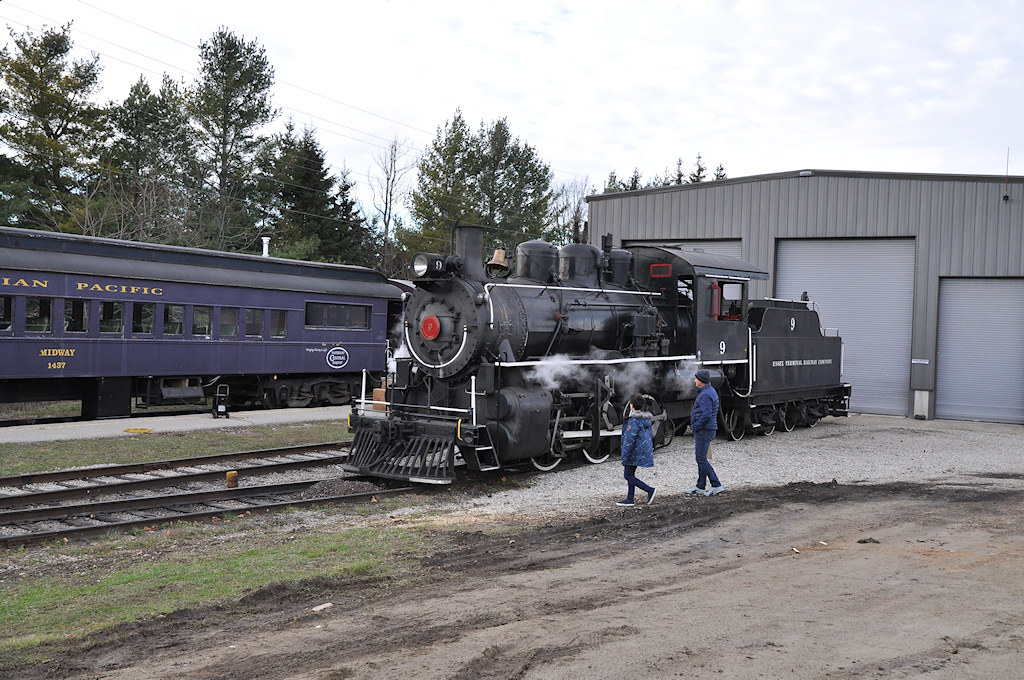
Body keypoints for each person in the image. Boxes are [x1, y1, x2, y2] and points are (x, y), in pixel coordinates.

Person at [686, 369, 723, 496]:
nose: (694, 380)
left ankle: (716, 484)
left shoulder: (705, 395)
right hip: (707, 429)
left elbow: (706, 415)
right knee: (701, 458)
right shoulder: (708, 391)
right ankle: (700, 486)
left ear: (701, 381)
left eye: (696, 378)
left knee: (701, 459)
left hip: (704, 430)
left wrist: (696, 425)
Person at [616, 393, 657, 506]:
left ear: (631, 405)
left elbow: (629, 440)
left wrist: (624, 454)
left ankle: (649, 490)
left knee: (628, 476)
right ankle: (630, 498)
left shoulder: (633, 421)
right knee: (631, 474)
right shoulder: (644, 419)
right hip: (640, 451)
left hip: (633, 452)